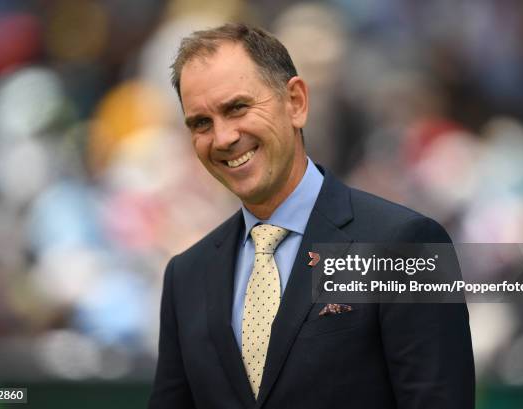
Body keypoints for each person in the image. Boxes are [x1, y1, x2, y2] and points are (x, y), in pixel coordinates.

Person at [148, 23, 475, 409]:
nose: (222, 138)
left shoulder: (405, 244)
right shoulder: (186, 276)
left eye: (237, 107)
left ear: (296, 102)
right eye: (201, 123)